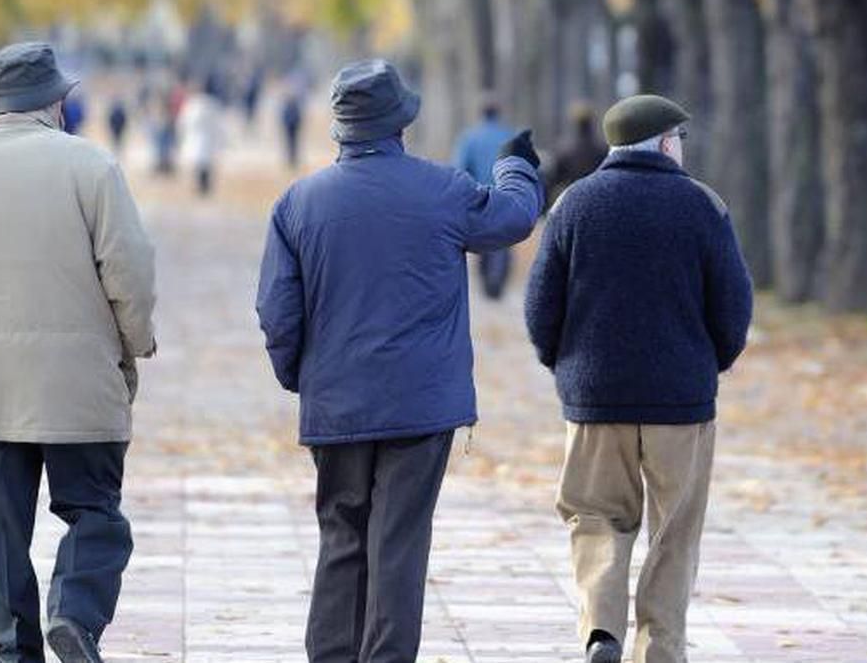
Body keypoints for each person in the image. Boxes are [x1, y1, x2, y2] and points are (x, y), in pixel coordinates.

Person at [256, 59, 543, 663]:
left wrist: (304, 377)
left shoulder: (297, 205)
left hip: (336, 402)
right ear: (400, 126)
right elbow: (513, 217)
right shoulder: (442, 191)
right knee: (399, 542)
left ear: (340, 129)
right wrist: (515, 166)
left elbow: (277, 314)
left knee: (341, 534)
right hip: (421, 404)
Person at [0, 42, 157, 663]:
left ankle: (12, 652)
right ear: (55, 102)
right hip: (78, 379)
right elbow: (129, 272)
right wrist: (137, 344)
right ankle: (74, 614)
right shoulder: (91, 167)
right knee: (96, 515)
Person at [524, 95, 752, 663]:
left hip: (595, 399)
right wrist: (708, 364)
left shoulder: (574, 204)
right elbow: (733, 306)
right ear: (667, 143)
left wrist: (568, 367)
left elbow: (539, 307)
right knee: (674, 531)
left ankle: (602, 631)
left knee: (595, 515)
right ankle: (661, 650)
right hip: (681, 401)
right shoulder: (702, 206)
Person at [453, 96, 517, 300]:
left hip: (479, 196)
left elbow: (460, 168)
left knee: (483, 239)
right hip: (506, 195)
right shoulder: (509, 135)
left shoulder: (470, 137)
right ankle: (497, 283)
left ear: (482, 113)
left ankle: (487, 283)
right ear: (498, 113)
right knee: (503, 242)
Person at [546, 101, 608, 207]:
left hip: (573, 202)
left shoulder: (564, 150)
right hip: (599, 201)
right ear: (592, 121)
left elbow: (554, 181)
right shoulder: (603, 149)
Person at [178, 78, 225, 196]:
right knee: (206, 167)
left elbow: (183, 122)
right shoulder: (212, 104)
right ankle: (204, 189)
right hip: (207, 140)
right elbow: (218, 125)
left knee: (199, 166)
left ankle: (200, 188)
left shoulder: (192, 104)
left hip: (196, 139)